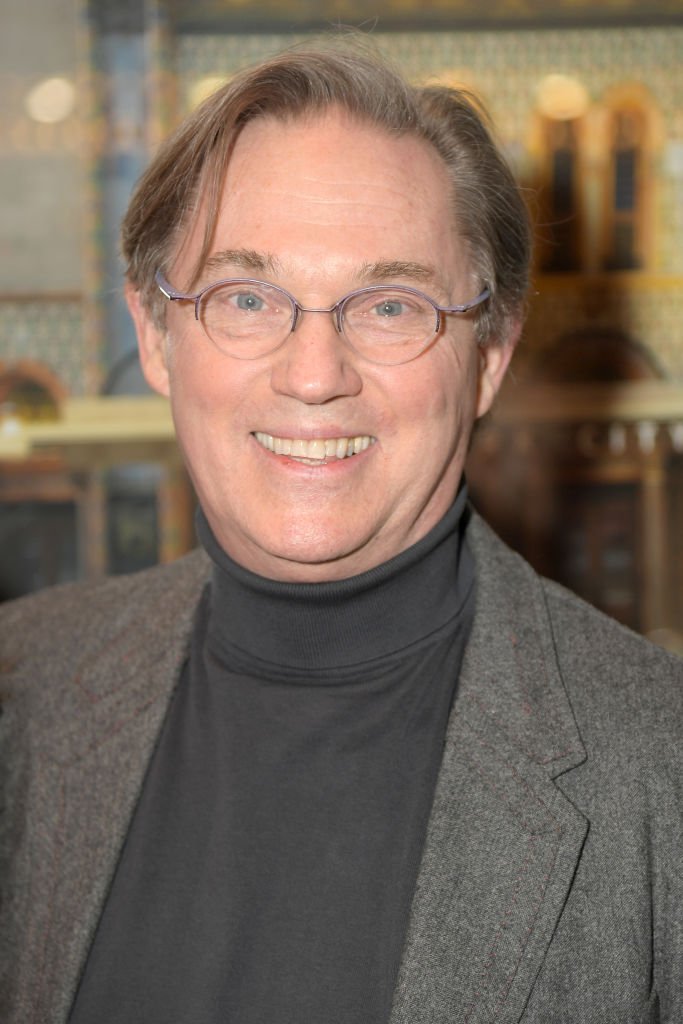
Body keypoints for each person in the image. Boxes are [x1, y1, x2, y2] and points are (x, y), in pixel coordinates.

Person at [1, 39, 682, 1024]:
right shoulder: (23, 690)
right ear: (155, 337)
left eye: (390, 305)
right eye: (245, 297)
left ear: (487, 355)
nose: (313, 372)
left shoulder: (659, 765)